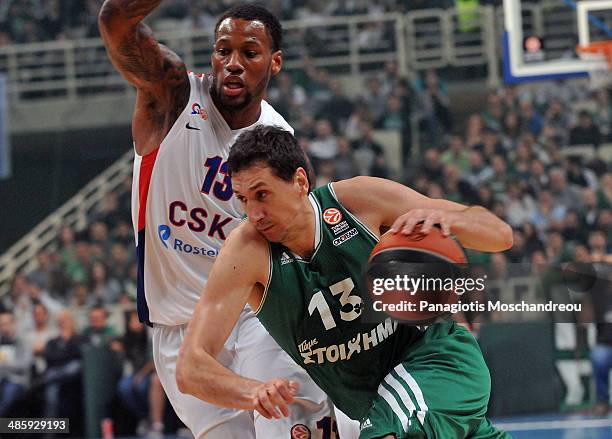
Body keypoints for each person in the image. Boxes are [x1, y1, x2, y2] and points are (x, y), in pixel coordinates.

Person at [177, 126, 514, 439]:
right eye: (243, 199)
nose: (254, 213)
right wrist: (250, 391)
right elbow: (191, 367)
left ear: (299, 182)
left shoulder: (358, 201)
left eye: (262, 194)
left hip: (437, 361)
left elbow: (499, 235)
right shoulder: (246, 252)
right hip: (380, 404)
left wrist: (451, 219)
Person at [98, 2, 330, 437]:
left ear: (275, 62)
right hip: (179, 330)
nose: (233, 64)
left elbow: (303, 242)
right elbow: (114, 22)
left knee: (291, 426)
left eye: (250, 53)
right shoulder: (172, 97)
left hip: (255, 313)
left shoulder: (280, 144)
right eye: (224, 50)